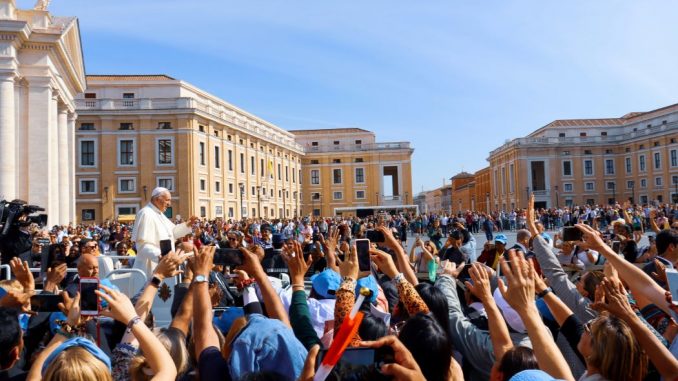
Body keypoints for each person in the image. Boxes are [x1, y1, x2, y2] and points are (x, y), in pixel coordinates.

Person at [131, 187, 196, 287]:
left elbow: (173, 232)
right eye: (167, 200)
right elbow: (142, 245)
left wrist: (187, 225)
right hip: (149, 268)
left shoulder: (160, 214)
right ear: (157, 199)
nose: (169, 204)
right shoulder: (146, 213)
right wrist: (160, 256)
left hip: (165, 265)